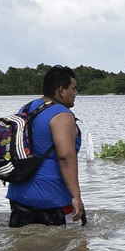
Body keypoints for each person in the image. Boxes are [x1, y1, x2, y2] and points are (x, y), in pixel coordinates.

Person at [8, 66, 86, 227]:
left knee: (26, 250)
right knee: (76, 249)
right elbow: (65, 157)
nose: (76, 93)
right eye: (74, 88)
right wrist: (76, 197)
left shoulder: (27, 108)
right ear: (62, 90)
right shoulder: (62, 114)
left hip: (19, 196)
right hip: (54, 197)